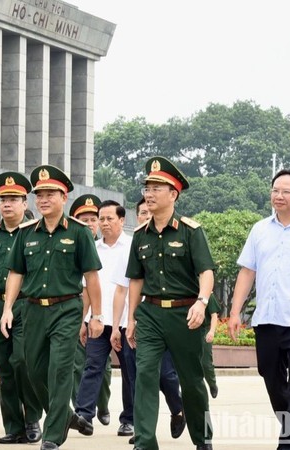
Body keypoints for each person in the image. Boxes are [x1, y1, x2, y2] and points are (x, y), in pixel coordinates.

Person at [0, 164, 102, 450]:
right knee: (32, 371)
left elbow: (92, 278)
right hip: (31, 310)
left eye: (50, 194)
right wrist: (8, 308)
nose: (43, 200)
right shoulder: (25, 233)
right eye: (39, 195)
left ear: (64, 196)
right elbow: (16, 273)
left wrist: (97, 315)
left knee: (59, 371)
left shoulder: (80, 233)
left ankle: (53, 435)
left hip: (67, 309)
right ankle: (66, 414)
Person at [228, 168, 290, 449]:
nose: (278, 196)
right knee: (270, 377)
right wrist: (235, 312)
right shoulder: (260, 229)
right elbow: (247, 271)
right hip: (267, 320)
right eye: (275, 190)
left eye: (286, 191)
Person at [125, 156, 215, 450]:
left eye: (156, 188)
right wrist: (133, 318)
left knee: (191, 381)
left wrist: (202, 303)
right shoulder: (139, 235)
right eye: (147, 188)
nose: (149, 194)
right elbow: (136, 280)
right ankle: (145, 442)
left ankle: (202, 439)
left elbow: (206, 272)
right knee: (146, 376)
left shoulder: (191, 231)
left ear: (174, 194)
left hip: (185, 314)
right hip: (150, 314)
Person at [110, 198, 186, 445]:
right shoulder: (134, 245)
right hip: (135, 322)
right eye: (141, 213)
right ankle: (142, 430)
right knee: (137, 377)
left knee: (166, 374)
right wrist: (120, 324)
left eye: (147, 212)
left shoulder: (178, 236)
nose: (145, 216)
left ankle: (179, 409)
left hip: (165, 320)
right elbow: (123, 289)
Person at [0, 171, 42, 444]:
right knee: (4, 368)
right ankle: (13, 426)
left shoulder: (36, 233)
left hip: (25, 306)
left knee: (22, 362)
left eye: (14, 199)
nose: (7, 204)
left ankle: (32, 419)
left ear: (25, 203)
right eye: (3, 199)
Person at [74, 199, 134, 437]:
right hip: (98, 321)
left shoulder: (132, 246)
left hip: (125, 322)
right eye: (102, 219)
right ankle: (84, 415)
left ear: (122, 220)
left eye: (110, 218)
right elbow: (87, 288)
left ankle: (129, 419)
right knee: (92, 366)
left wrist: (132, 320)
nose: (105, 223)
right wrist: (83, 319)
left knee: (131, 370)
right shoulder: (93, 249)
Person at [68, 194, 112, 428]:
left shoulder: (108, 248)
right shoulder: (71, 246)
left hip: (101, 314)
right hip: (76, 313)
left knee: (102, 368)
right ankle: (83, 411)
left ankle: (102, 404)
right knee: (78, 364)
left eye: (93, 219)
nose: (90, 224)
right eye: (83, 219)